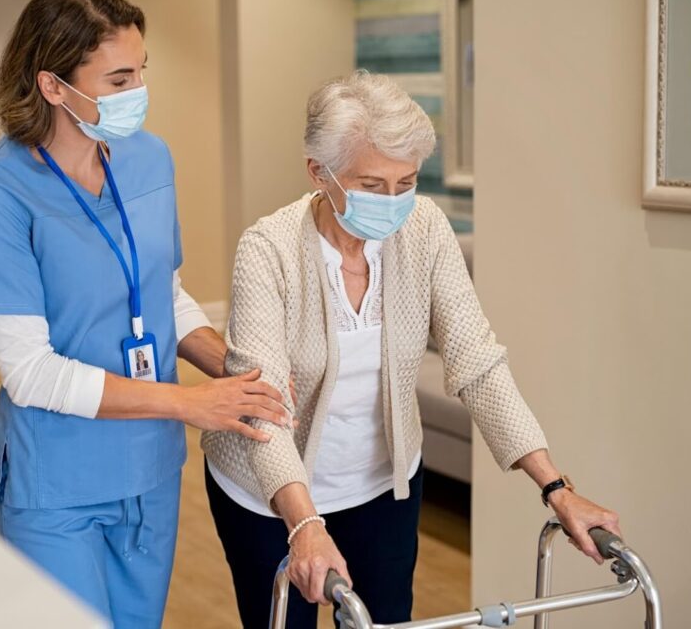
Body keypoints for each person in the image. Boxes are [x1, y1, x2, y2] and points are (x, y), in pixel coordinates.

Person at [201, 71, 622, 628]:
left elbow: (477, 361)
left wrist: (557, 488)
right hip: (267, 496)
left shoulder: (424, 229)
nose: (394, 202)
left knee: (387, 618)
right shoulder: (268, 249)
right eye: (372, 184)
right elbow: (264, 405)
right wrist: (304, 524)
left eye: (407, 182)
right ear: (317, 172)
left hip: (381, 485)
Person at [0, 0, 286, 627]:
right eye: (119, 77)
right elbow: (30, 372)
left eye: (141, 72)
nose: (138, 92)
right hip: (57, 487)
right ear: (52, 85)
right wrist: (189, 403)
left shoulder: (149, 158)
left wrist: (231, 366)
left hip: (149, 473)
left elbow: (163, 292)